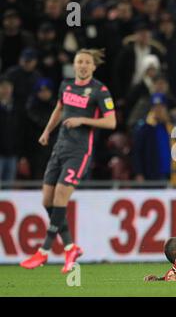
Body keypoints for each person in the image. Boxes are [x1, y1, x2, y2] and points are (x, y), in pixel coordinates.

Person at [20, 48, 117, 273]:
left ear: (93, 67)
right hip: (59, 148)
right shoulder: (66, 85)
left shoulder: (100, 91)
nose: (83, 65)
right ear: (74, 65)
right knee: (47, 201)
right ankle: (70, 247)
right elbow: (59, 109)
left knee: (61, 197)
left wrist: (82, 119)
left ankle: (43, 252)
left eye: (87, 62)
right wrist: (46, 132)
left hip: (79, 152)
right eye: (79, 61)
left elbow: (111, 122)